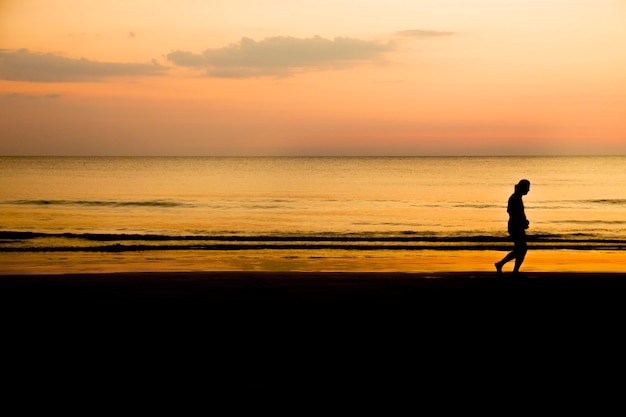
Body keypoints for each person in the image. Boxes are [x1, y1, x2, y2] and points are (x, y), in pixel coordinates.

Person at [495, 179, 530, 276]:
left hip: (516, 226)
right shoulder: (515, 198)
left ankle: (507, 267)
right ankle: (509, 268)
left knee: (520, 249)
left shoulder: (517, 197)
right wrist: (522, 221)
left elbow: (517, 213)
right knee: (522, 249)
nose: (528, 190)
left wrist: (524, 221)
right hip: (515, 226)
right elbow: (512, 213)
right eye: (527, 188)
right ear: (523, 188)